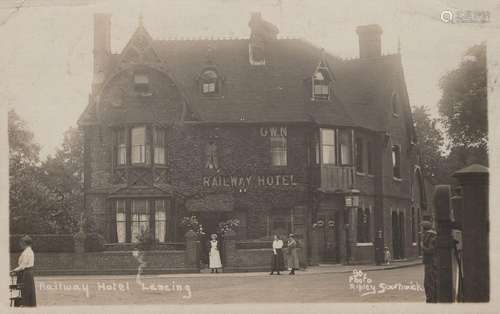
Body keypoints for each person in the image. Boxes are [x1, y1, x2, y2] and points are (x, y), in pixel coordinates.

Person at [10, 235, 36, 307]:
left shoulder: (27, 252)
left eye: (21, 242)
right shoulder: (29, 251)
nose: (20, 244)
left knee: (25, 292)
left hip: (26, 274)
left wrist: (13, 270)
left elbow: (22, 266)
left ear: (25, 243)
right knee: (27, 292)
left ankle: (25, 306)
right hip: (27, 273)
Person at [421, 220, 438, 303]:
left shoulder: (430, 237)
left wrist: (422, 247)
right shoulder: (431, 235)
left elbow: (430, 250)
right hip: (430, 263)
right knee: (429, 282)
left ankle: (431, 299)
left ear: (425, 229)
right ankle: (431, 298)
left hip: (431, 263)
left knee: (429, 282)